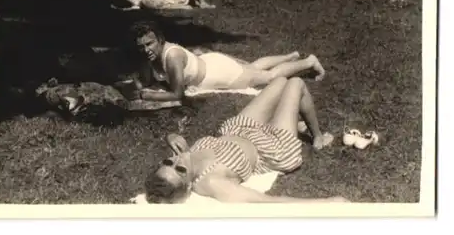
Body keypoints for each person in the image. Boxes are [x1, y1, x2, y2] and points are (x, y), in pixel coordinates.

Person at [144, 77, 346, 204]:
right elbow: (266, 202)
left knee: (280, 82)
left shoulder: (183, 158)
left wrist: (171, 136)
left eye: (168, 162)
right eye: (180, 170)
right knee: (295, 83)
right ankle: (317, 136)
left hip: (240, 129)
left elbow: (182, 157)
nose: (177, 161)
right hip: (272, 147)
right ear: (188, 186)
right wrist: (327, 203)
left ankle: (292, 119)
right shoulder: (212, 182)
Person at [124, 20, 326, 103]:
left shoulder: (172, 57)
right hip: (209, 64)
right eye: (141, 46)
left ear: (160, 40)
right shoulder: (148, 55)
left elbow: (178, 95)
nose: (146, 49)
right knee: (253, 67)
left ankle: (309, 62)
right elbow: (147, 78)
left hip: (218, 74)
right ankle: (289, 56)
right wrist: (141, 83)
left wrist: (145, 95)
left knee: (267, 77)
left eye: (149, 44)